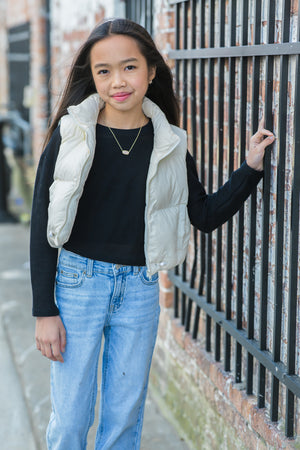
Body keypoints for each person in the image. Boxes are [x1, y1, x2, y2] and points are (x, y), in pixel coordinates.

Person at [30, 18, 275, 450]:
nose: (117, 81)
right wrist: (43, 310)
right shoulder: (72, 135)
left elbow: (203, 214)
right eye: (104, 71)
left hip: (140, 289)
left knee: (124, 419)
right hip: (77, 285)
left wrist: (250, 168)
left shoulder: (170, 145)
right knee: (70, 420)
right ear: (93, 77)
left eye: (129, 67)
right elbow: (41, 223)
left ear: (151, 71)